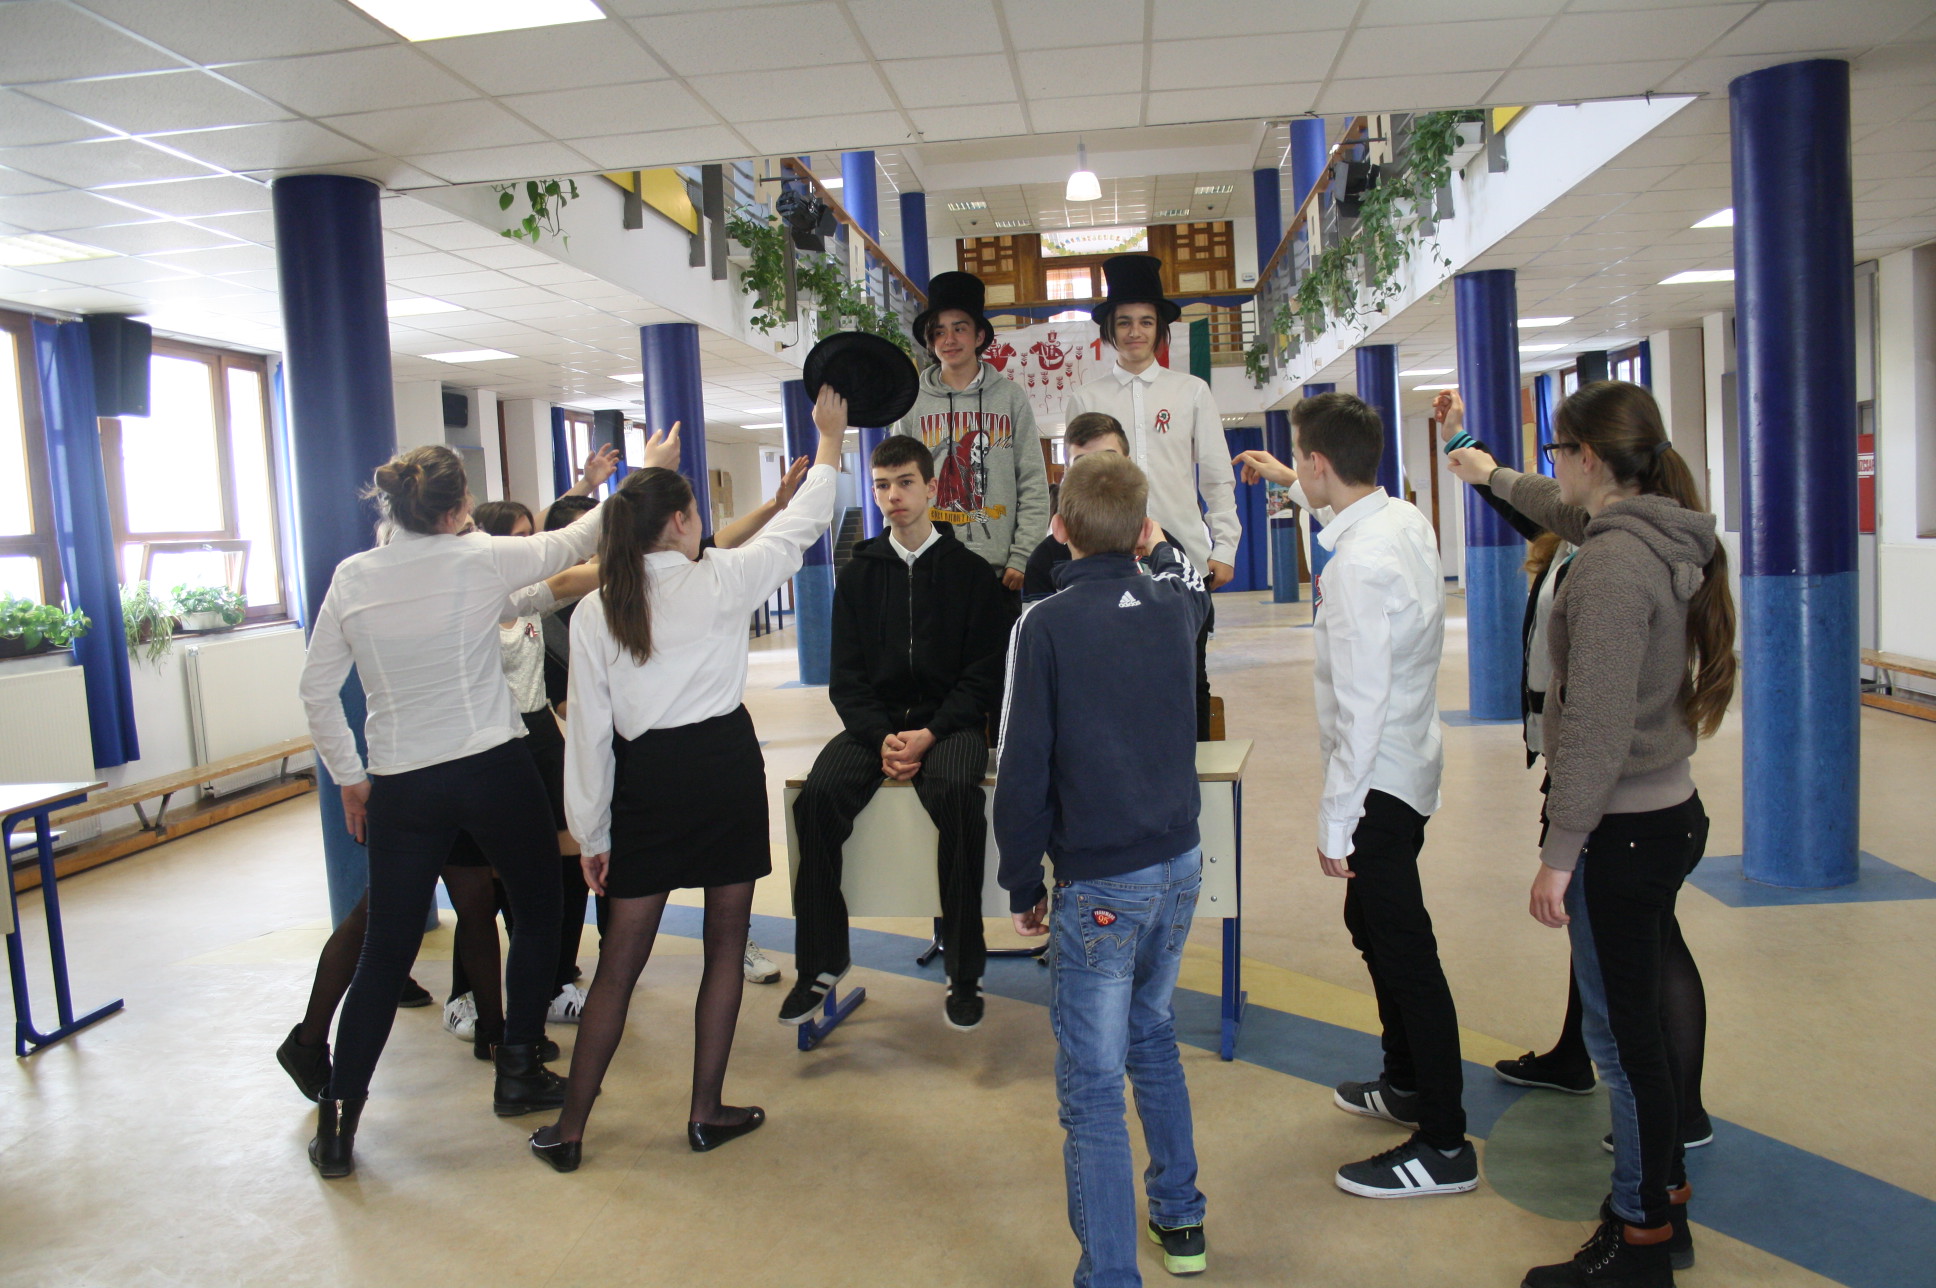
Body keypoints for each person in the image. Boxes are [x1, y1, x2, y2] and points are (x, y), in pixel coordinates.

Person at [294, 432, 674, 1179]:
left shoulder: (354, 575)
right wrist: (644, 476)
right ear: (456, 509)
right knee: (536, 910)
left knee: (385, 949)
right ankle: (519, 1066)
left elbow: (316, 690)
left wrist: (350, 776)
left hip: (401, 781)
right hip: (491, 769)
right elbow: (577, 539)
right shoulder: (478, 558)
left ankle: (338, 1123)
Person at [1447, 381, 1734, 1286]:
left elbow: (1598, 728)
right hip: (1665, 814)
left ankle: (1640, 1234)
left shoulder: (1610, 571)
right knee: (1636, 1027)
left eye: (1557, 451)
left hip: (1624, 830)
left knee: (1622, 1044)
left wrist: (1558, 854)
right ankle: (1664, 1195)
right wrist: (1489, 473)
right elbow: (1553, 507)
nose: (1553, 467)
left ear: (1590, 459)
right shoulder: (1648, 531)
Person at [526, 393, 848, 1173]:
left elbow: (589, 736)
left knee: (619, 963)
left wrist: (592, 832)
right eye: (695, 510)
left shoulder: (600, 609)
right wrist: (831, 443)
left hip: (646, 782)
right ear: (677, 522)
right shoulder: (722, 579)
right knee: (725, 944)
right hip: (723, 770)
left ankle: (570, 1130)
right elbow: (804, 524)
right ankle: (705, 1112)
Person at [1235, 392, 1476, 1199]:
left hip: (1379, 780)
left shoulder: (1357, 570)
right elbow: (1335, 511)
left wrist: (1336, 820)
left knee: (1405, 950)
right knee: (1368, 923)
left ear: (1319, 463)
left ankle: (1445, 1143)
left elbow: (1361, 705)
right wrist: (1292, 482)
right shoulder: (1400, 520)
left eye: (1299, 461)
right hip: (1411, 764)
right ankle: (1404, 1080)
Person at [997, 452, 1213, 1286]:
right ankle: (1181, 1218)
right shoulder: (1175, 604)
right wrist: (1158, 546)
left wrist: (1023, 879)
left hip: (1100, 881)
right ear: (1144, 528)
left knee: (1091, 1087)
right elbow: (1190, 578)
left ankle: (1112, 1274)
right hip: (1179, 862)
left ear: (1058, 530)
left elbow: (1022, 766)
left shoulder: (1044, 625)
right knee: (1152, 1033)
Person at [782, 434, 1017, 1031]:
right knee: (816, 800)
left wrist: (930, 733)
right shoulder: (859, 574)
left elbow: (983, 676)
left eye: (906, 483)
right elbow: (846, 678)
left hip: (949, 724)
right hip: (877, 726)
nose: (893, 496)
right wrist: (881, 736)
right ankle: (822, 961)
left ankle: (964, 969)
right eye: (882, 485)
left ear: (932, 488)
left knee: (958, 798)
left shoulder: (970, 574)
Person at [1064, 254, 1239, 740]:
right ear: (1109, 329)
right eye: (1124, 322)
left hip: (1183, 555)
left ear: (1160, 328)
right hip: (1107, 560)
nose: (1135, 332)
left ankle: (1194, 774)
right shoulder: (1086, 398)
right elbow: (1075, 487)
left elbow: (1216, 477)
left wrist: (1224, 547)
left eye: (1145, 321)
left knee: (1189, 677)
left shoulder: (1191, 392)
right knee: (1114, 680)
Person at [898, 270, 1050, 594]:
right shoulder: (913, 401)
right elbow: (895, 480)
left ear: (979, 336)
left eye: (959, 329)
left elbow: (1033, 482)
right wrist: (901, 553)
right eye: (939, 332)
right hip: (928, 568)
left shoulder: (1010, 397)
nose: (949, 340)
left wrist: (1023, 556)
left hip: (999, 573)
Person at [1023, 411, 1132, 602]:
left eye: (1109, 460)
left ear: (1128, 465)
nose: (1097, 474)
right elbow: (1038, 619)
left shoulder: (1159, 548)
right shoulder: (1045, 559)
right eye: (1083, 464)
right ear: (1067, 473)